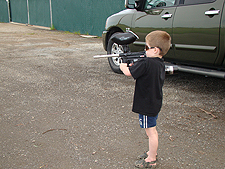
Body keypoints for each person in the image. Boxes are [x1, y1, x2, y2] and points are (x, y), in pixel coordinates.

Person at [120, 30, 171, 168]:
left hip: (147, 104)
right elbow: (142, 70)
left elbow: (128, 72)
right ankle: (151, 152)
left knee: (151, 132)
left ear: (155, 50)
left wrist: (123, 65)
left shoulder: (147, 63)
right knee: (151, 131)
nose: (144, 50)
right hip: (154, 102)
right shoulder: (159, 62)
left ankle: (151, 159)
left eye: (146, 47)